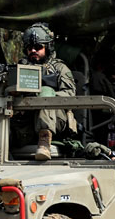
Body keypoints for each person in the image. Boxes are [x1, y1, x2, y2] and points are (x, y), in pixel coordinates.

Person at [17, 23, 77, 160]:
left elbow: (70, 94)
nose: (33, 50)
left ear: (48, 47)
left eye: (38, 47)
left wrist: (46, 94)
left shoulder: (59, 68)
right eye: (30, 48)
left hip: (56, 119)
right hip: (26, 119)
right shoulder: (20, 68)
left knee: (46, 92)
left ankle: (44, 141)